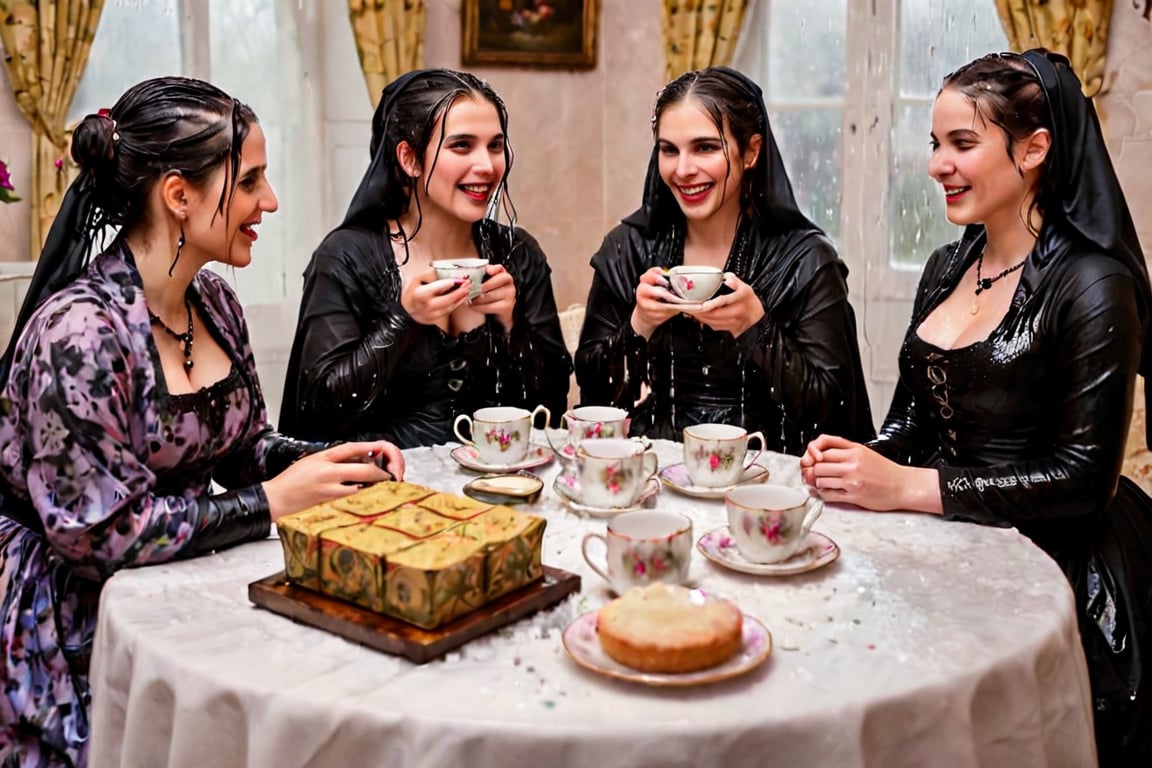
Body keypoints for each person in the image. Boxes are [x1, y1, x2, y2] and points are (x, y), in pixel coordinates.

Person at [0, 77, 405, 768]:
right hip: (71, 620)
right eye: (249, 182)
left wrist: (330, 460)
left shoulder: (212, 300)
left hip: (171, 576)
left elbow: (242, 450)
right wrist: (277, 500)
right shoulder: (81, 333)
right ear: (178, 195)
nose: (269, 202)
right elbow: (102, 535)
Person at [801, 50, 1152, 766]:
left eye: (963, 144)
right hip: (946, 545)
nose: (937, 165)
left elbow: (1085, 481)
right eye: (935, 144)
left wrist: (907, 486)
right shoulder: (945, 267)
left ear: (1034, 149)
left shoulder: (1093, 285)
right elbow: (914, 421)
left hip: (1067, 580)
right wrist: (863, 458)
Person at [574, 66, 874, 453]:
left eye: (705, 148)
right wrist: (640, 324)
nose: (683, 170)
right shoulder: (629, 247)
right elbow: (594, 393)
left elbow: (834, 413)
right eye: (669, 150)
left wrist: (755, 326)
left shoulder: (806, 260)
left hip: (768, 471)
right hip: (657, 462)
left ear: (751, 151)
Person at [280, 69, 572, 449]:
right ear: (410, 158)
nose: (486, 165)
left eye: (495, 146)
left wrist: (511, 324)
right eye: (462, 146)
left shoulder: (518, 255)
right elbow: (315, 416)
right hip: (381, 491)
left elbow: (552, 405)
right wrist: (403, 320)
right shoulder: (346, 258)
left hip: (498, 485)